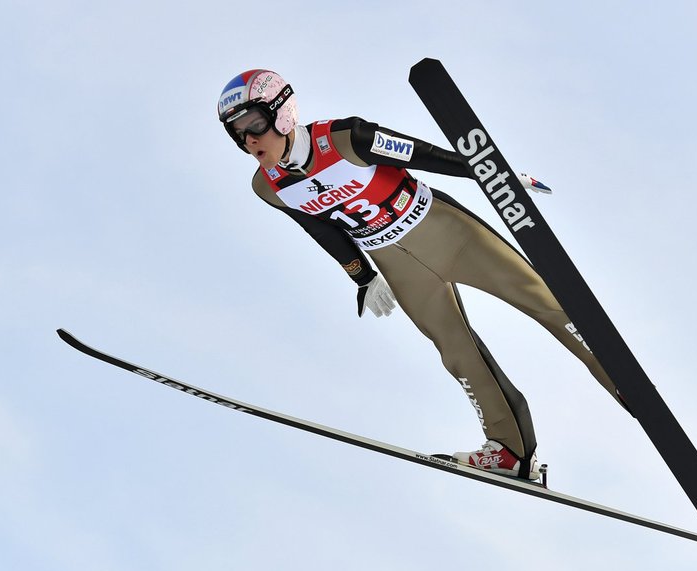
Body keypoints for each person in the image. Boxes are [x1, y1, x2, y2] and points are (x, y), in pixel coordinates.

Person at [217, 69, 623, 480]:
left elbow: (421, 154)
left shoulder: (345, 138)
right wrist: (363, 277)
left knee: (541, 300)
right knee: (456, 352)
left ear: (282, 114)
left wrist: (490, 172)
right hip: (398, 264)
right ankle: (510, 451)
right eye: (238, 134)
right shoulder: (267, 186)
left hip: (443, 230)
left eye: (255, 126)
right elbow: (319, 228)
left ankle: (621, 381)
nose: (249, 141)